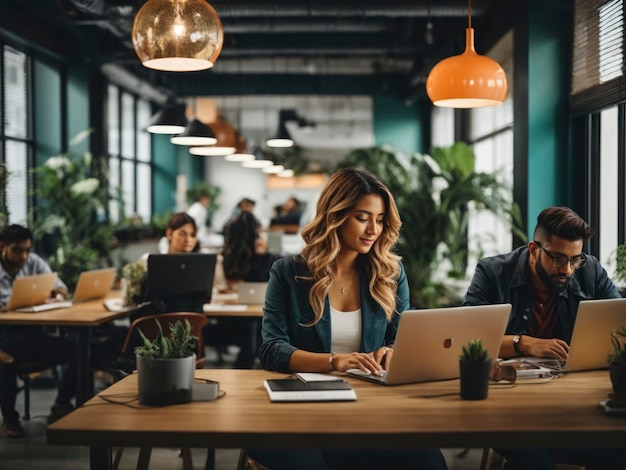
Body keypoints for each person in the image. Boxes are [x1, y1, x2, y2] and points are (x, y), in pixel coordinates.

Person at [249, 168, 448, 470]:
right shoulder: (288, 272)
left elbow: (403, 338)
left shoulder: (390, 275)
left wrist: (393, 351)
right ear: (336, 215)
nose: (374, 229)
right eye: (362, 217)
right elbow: (271, 349)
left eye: (380, 219)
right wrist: (335, 361)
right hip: (297, 411)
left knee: (430, 462)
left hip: (368, 410)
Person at [464, 206, 623, 470]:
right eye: (558, 259)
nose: (568, 269)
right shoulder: (493, 272)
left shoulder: (590, 271)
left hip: (572, 401)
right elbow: (468, 340)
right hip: (508, 403)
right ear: (534, 250)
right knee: (535, 460)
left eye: (575, 259)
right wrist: (522, 343)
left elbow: (619, 325)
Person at [0, 225, 76, 437]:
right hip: (4, 334)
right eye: (17, 250)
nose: (23, 256)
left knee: (79, 350)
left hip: (33, 336)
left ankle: (61, 404)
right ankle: (10, 419)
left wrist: (58, 294)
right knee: (4, 359)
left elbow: (59, 286)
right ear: (2, 247)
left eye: (27, 249)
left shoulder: (33, 261)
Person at [208, 211, 280, 369]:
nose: (261, 238)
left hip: (236, 318)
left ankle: (244, 368)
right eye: (258, 234)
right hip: (244, 320)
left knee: (251, 332)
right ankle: (247, 368)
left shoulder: (229, 257)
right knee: (251, 332)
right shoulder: (263, 259)